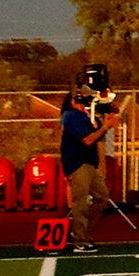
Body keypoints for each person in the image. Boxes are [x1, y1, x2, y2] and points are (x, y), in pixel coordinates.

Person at [59, 84, 110, 254]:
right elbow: (87, 140)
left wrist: (101, 125)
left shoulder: (83, 116)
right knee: (81, 201)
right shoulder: (72, 116)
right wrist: (104, 127)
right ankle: (79, 239)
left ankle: (82, 231)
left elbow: (93, 137)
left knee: (102, 197)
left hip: (88, 162)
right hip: (78, 162)